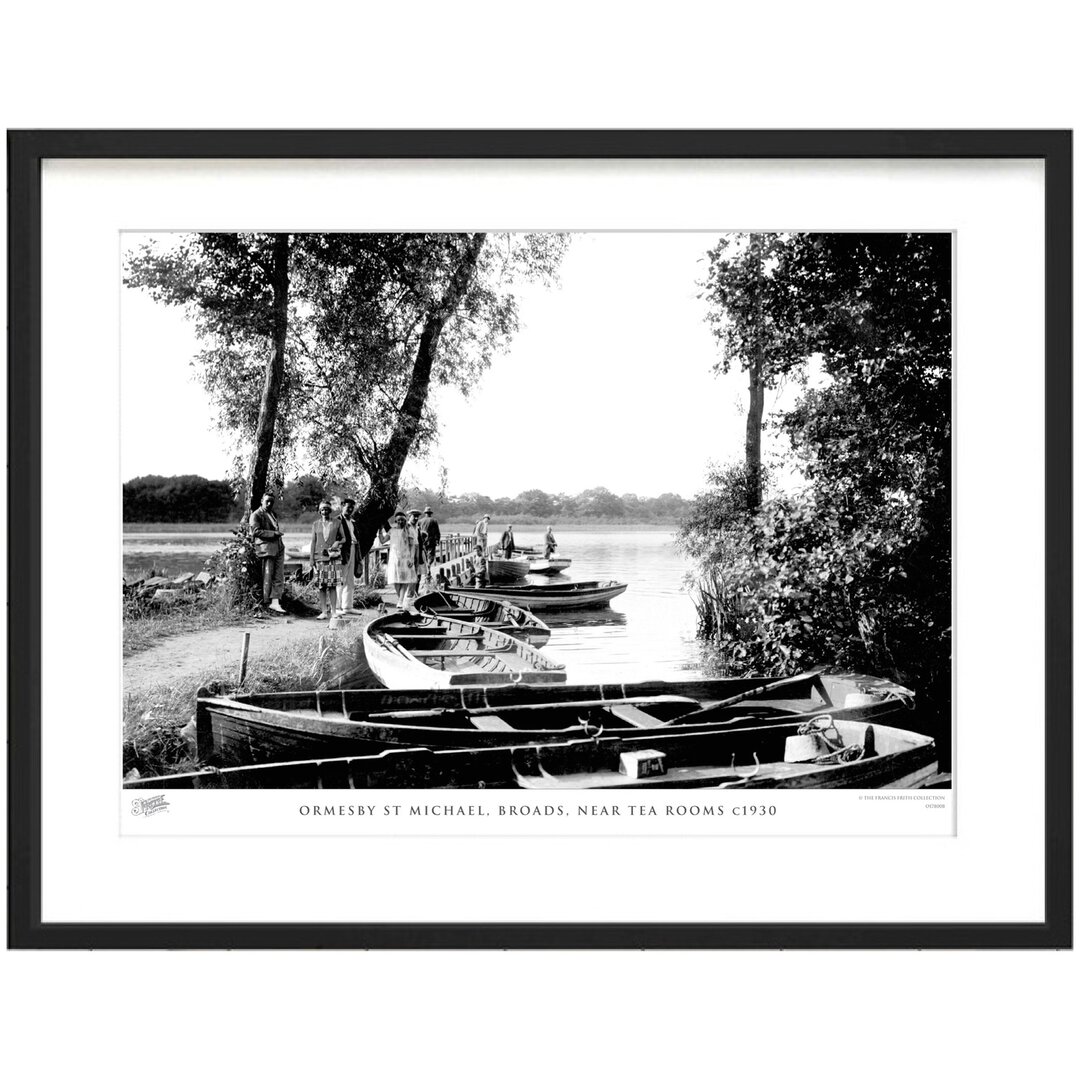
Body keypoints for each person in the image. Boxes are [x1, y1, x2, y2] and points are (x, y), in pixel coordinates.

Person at [309, 501, 348, 620]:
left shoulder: (337, 522)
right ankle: (324, 612)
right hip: (320, 558)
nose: (324, 512)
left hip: (332, 557)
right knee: (322, 586)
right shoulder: (316, 524)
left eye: (327, 509)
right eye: (322, 510)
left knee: (332, 586)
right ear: (319, 511)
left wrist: (337, 542)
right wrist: (312, 559)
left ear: (330, 511)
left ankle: (334, 611)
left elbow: (344, 538)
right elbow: (313, 542)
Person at [249, 491, 286, 613]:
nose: (269, 503)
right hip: (266, 549)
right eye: (267, 501)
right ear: (261, 501)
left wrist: (277, 536)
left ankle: (275, 602)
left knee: (278, 575)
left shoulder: (272, 513)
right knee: (268, 575)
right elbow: (256, 531)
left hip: (278, 546)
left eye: (272, 501)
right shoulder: (256, 515)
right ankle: (266, 602)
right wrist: (273, 534)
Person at [378, 511, 420, 609]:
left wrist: (411, 558)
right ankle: (401, 599)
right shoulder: (392, 531)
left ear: (405, 520)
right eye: (398, 520)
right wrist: (380, 531)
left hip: (406, 558)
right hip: (394, 558)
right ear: (396, 521)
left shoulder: (409, 530)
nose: (400, 522)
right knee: (395, 580)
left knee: (404, 580)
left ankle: (400, 601)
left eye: (402, 520)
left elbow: (412, 546)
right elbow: (383, 540)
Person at [336, 497, 357, 615]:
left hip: (352, 549)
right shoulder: (337, 521)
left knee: (349, 579)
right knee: (340, 579)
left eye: (352, 508)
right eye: (348, 507)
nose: (350, 509)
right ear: (342, 506)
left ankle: (347, 606)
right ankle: (337, 607)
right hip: (342, 551)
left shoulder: (353, 522)